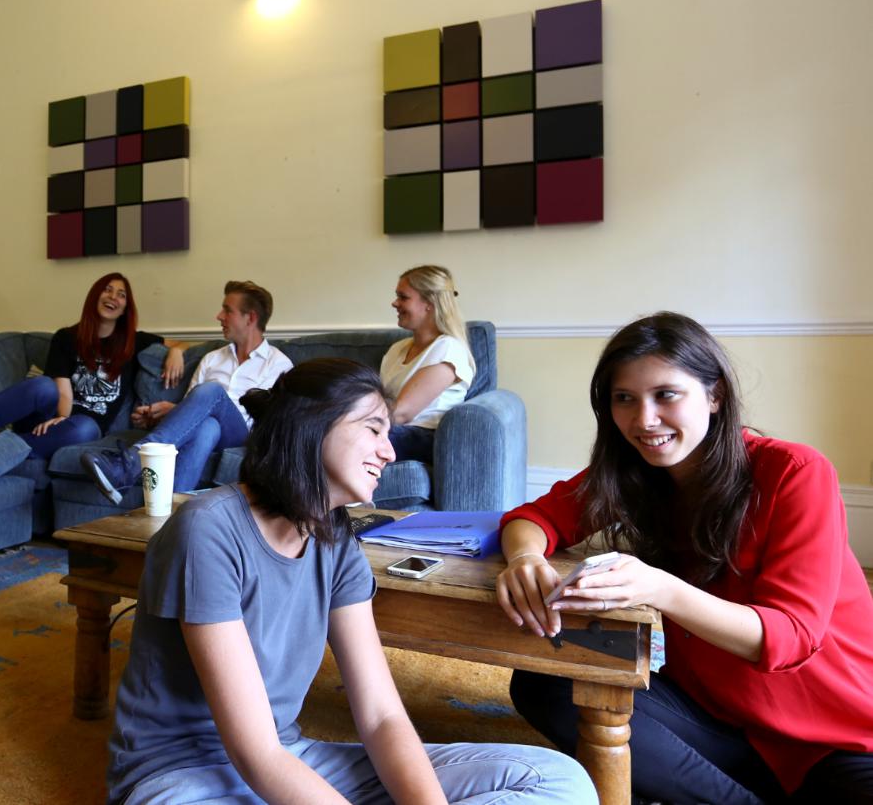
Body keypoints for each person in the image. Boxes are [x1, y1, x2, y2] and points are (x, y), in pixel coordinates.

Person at [107, 358, 596, 804]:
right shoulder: (208, 528)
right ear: (310, 427)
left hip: (290, 760)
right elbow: (254, 753)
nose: (388, 452)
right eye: (374, 429)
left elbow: (381, 717)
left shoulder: (336, 539)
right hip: (186, 779)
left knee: (558, 780)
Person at [496, 312, 873, 804]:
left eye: (666, 395)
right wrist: (524, 558)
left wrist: (659, 588)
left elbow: (790, 637)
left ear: (714, 395)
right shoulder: (633, 472)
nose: (644, 420)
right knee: (544, 681)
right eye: (624, 399)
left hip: (834, 739)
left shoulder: (793, 472)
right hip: (718, 722)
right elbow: (535, 516)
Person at [83, 280, 292, 501]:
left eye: (227, 310)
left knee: (211, 391)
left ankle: (132, 462)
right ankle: (172, 512)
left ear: (250, 318)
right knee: (207, 427)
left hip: (244, 436)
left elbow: (273, 422)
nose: (219, 316)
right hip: (210, 431)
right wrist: (165, 413)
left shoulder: (279, 366)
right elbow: (193, 408)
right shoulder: (212, 358)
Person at [0, 272, 187, 460]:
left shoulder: (133, 342)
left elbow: (180, 343)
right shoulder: (66, 337)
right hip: (49, 418)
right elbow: (62, 388)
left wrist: (175, 352)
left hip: (81, 428)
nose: (113, 297)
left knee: (84, 429)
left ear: (125, 308)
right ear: (95, 295)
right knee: (41, 386)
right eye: (107, 289)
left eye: (121, 295)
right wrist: (62, 415)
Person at [380, 265, 475, 463]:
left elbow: (402, 413)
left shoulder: (448, 349)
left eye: (403, 297)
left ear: (429, 303)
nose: (394, 303)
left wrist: (350, 423)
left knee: (339, 440)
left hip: (419, 437)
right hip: (389, 430)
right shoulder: (396, 350)